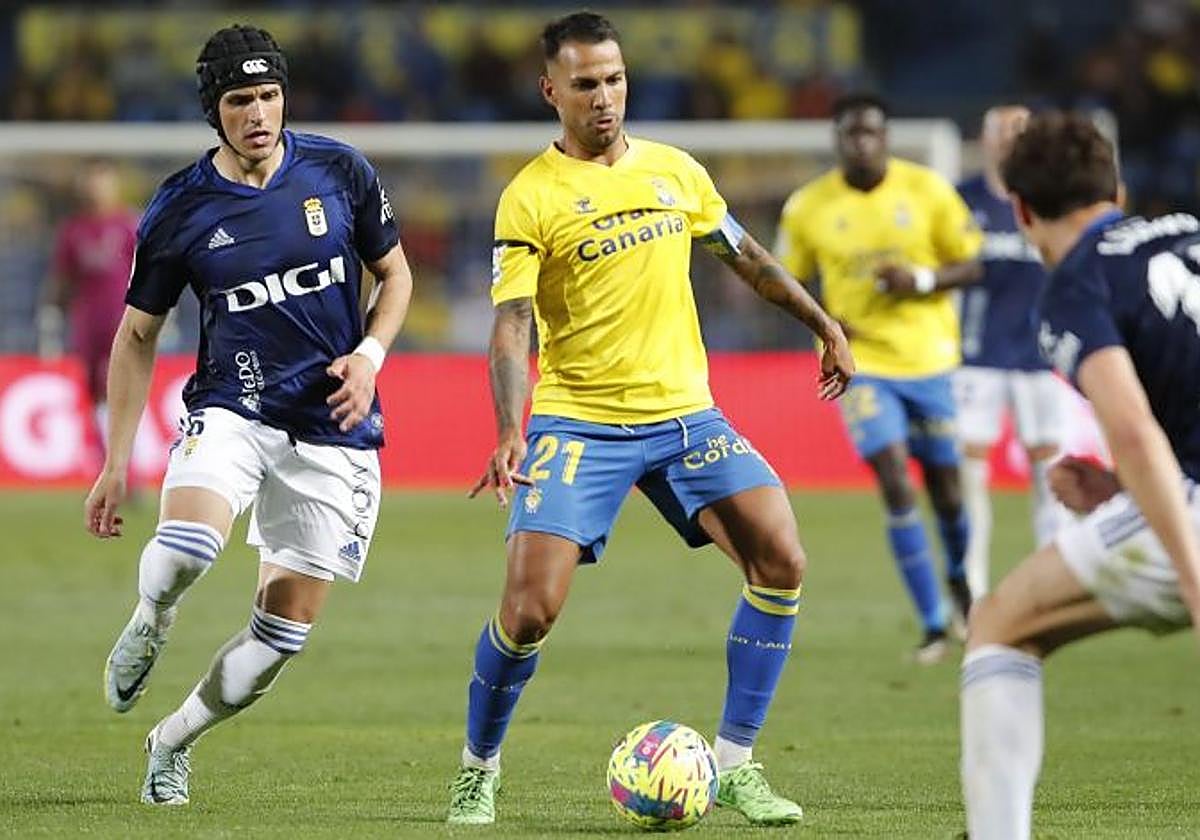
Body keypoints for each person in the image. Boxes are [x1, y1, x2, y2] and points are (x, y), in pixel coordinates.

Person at [446, 11, 853, 827]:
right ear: (550, 89)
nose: (605, 98)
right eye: (587, 84)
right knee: (529, 610)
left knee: (781, 559)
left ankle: (735, 765)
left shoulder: (676, 172)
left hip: (686, 417)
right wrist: (508, 426)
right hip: (578, 421)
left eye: (616, 79)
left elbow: (748, 256)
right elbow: (512, 322)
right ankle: (477, 767)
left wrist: (823, 323)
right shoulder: (530, 196)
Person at [85, 24, 413, 805]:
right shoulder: (180, 208)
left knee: (282, 636)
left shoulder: (341, 171)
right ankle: (152, 616)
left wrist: (368, 358)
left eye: (269, 95)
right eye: (240, 100)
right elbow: (137, 336)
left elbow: (394, 277)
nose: (259, 113)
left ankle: (171, 741)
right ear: (215, 110)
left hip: (335, 425)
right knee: (188, 549)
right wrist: (112, 460)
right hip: (234, 407)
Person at [960, 111, 1200, 840]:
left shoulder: (1076, 285)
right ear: (1117, 188)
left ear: (1023, 210)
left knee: (1001, 625)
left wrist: (1192, 577)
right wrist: (1121, 492)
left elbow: (1131, 429)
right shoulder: (1189, 231)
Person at [775, 93, 984, 663]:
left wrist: (918, 279)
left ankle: (962, 584)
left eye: (871, 132)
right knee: (894, 478)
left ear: (886, 137)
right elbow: (783, 282)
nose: (861, 143)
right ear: (837, 140)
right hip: (862, 364)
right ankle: (933, 622)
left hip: (931, 360)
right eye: (851, 134)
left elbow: (974, 262)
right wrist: (821, 321)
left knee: (945, 488)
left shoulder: (928, 191)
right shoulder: (808, 207)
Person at [955, 105, 1068, 598]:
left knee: (1050, 475)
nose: (1008, 139)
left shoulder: (1050, 201)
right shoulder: (960, 201)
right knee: (969, 476)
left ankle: (1056, 580)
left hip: (1039, 359)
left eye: (1019, 130)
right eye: (999, 131)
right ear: (983, 139)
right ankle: (971, 589)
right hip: (975, 358)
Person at [40, 159, 139, 457]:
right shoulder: (73, 229)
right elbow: (61, 278)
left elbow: (151, 271)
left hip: (122, 317)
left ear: (114, 184)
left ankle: (127, 467)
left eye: (102, 180)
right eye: (92, 181)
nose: (97, 188)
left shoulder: (129, 224)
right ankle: (105, 460)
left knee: (120, 388)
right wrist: (51, 316)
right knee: (94, 392)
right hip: (86, 320)